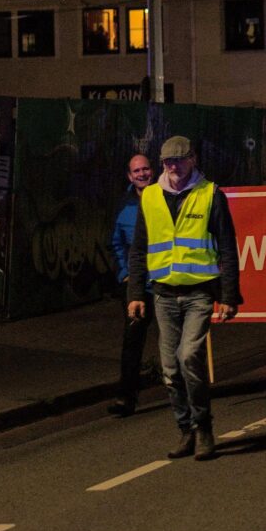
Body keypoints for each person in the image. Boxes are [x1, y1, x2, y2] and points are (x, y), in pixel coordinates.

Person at [127, 136, 242, 461]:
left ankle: (203, 427)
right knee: (170, 368)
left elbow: (227, 247)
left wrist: (229, 296)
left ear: (192, 159)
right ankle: (186, 429)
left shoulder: (210, 194)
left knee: (189, 356)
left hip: (199, 292)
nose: (173, 167)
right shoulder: (151, 196)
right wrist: (135, 294)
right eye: (168, 162)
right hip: (163, 293)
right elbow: (139, 249)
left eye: (179, 160)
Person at [107, 154, 154, 417]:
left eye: (145, 169)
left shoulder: (164, 197)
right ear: (129, 176)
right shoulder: (124, 205)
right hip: (136, 286)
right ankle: (126, 397)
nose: (142, 174)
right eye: (137, 171)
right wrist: (125, 275)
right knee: (132, 341)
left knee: (176, 341)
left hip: (163, 282)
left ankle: (184, 391)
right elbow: (116, 243)